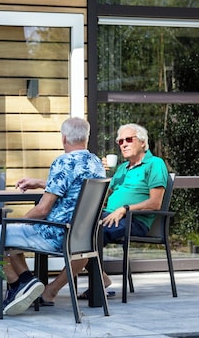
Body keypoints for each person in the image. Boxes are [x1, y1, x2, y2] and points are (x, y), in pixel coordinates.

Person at [0, 117, 105, 316]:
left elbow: (42, 210)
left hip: (53, 234)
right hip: (81, 236)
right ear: (87, 137)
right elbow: (75, 186)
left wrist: (17, 221)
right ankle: (30, 283)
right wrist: (42, 183)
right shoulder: (96, 163)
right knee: (11, 235)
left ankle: (17, 284)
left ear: (64, 138)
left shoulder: (63, 162)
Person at [37, 122, 169, 304]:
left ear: (142, 142)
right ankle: (101, 278)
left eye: (128, 140)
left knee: (87, 235)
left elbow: (155, 203)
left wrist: (124, 209)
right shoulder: (122, 169)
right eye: (120, 141)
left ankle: (53, 289)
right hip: (109, 216)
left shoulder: (155, 164)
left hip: (134, 220)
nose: (123, 144)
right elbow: (88, 188)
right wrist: (100, 173)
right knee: (73, 224)